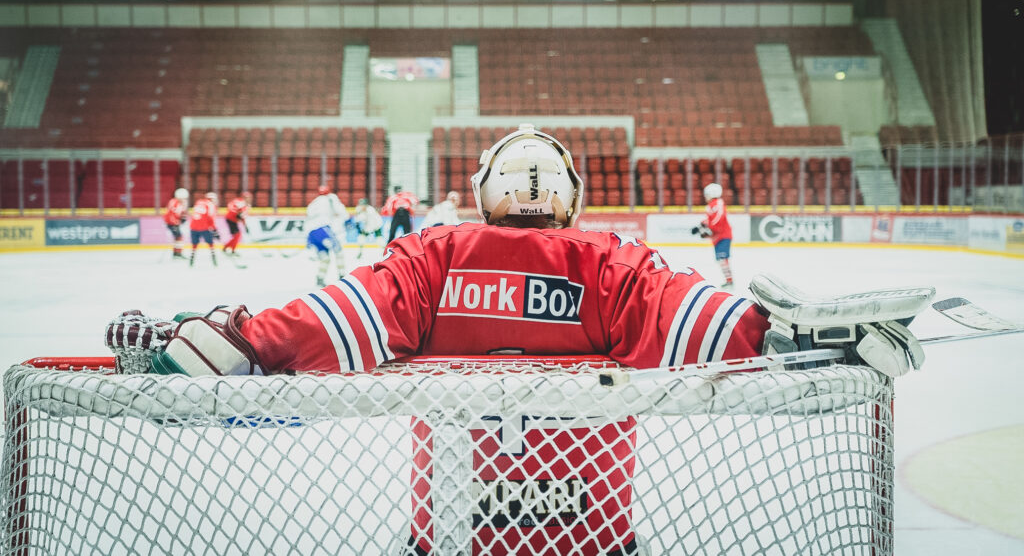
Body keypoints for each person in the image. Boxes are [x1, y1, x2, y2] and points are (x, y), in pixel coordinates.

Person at [106, 125, 928, 556]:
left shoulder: (433, 257)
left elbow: (331, 323)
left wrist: (234, 339)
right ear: (567, 197)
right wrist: (794, 337)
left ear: (484, 192)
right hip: (597, 535)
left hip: (451, 534)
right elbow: (708, 324)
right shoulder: (609, 264)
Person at [691, 182, 733, 290]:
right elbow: (710, 220)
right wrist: (700, 226)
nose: (705, 196)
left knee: (722, 258)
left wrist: (710, 228)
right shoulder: (710, 206)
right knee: (720, 259)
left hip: (723, 236)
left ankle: (729, 281)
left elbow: (719, 217)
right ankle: (728, 280)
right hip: (717, 238)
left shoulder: (718, 202)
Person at [306, 185, 349, 287]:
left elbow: (308, 213)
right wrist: (347, 219)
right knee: (338, 250)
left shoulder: (314, 201)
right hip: (322, 229)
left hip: (311, 233)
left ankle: (320, 278)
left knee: (325, 257)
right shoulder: (331, 197)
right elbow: (341, 210)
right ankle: (342, 276)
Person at [188, 192, 219, 267]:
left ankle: (192, 259)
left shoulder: (198, 202)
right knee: (210, 243)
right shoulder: (211, 205)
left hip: (193, 227)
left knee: (194, 244)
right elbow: (210, 218)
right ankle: (214, 258)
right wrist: (215, 231)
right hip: (204, 227)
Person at [163, 188, 189, 260]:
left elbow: (182, 213)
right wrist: (175, 222)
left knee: (178, 237)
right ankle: (177, 253)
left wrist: (183, 218)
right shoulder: (174, 202)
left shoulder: (181, 203)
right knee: (179, 236)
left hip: (175, 223)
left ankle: (177, 253)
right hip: (171, 223)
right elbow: (171, 214)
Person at [223, 191, 251, 256]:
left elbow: (230, 206)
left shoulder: (237, 201)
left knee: (237, 235)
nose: (248, 199)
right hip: (231, 220)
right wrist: (245, 226)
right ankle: (230, 249)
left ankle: (227, 247)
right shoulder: (244, 204)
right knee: (237, 235)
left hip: (231, 219)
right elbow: (241, 216)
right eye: (247, 198)